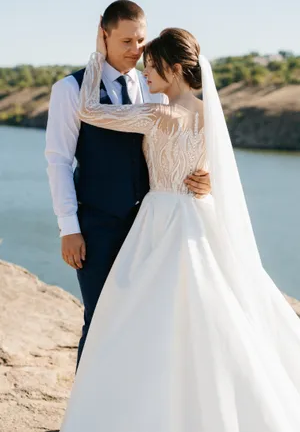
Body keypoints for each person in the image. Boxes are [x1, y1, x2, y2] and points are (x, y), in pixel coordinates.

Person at [59, 23, 300, 432]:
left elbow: (88, 111)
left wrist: (98, 56)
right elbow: (219, 172)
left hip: (161, 220)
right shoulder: (211, 116)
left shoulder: (159, 113)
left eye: (151, 67)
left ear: (172, 69)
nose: (144, 74)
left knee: (139, 316)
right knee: (209, 313)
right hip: (200, 217)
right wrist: (206, 178)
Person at [45, 0, 210, 367]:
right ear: (103, 35)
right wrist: (68, 227)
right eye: (127, 42)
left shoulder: (154, 86)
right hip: (97, 225)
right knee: (100, 319)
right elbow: (58, 161)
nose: (137, 51)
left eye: (141, 40)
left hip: (151, 228)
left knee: (146, 322)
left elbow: (185, 139)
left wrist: (205, 174)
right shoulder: (70, 90)